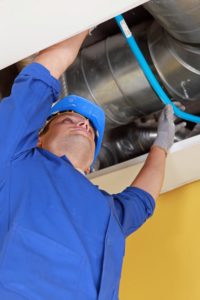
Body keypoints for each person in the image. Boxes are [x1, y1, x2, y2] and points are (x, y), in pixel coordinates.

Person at [0, 29, 175, 300]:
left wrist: (161, 146)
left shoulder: (109, 212)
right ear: (38, 139)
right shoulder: (15, 160)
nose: (83, 124)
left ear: (91, 167)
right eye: (68, 119)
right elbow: (41, 76)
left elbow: (143, 200)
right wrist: (82, 21)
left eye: (91, 130)